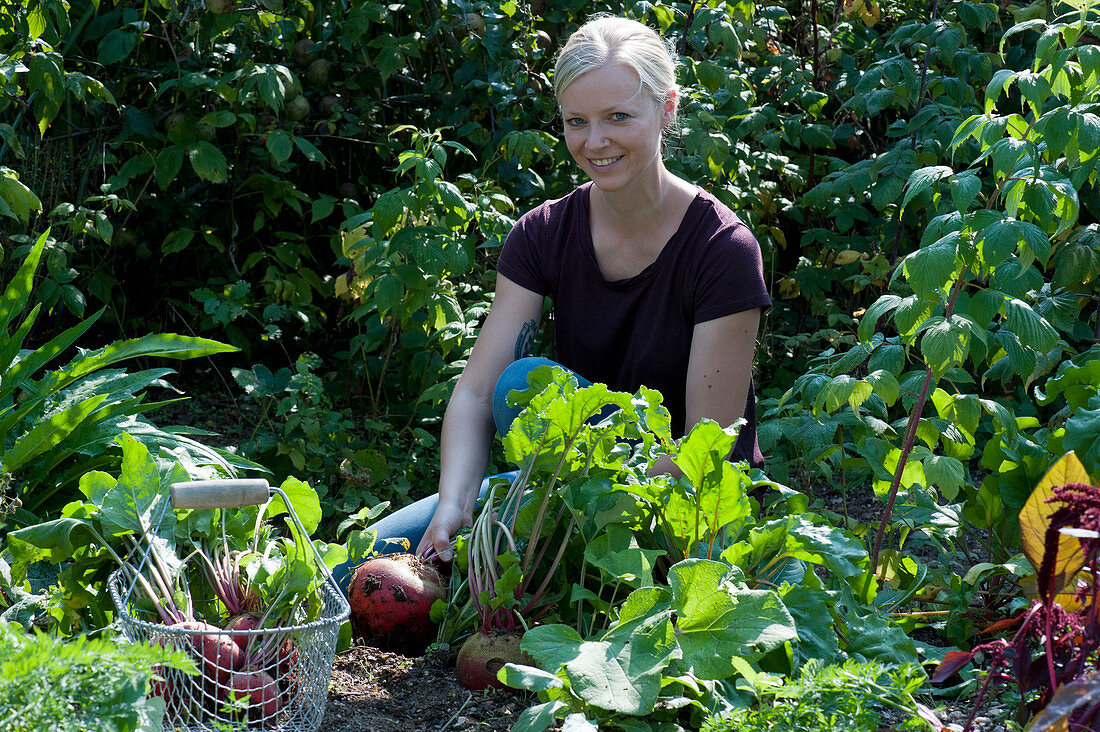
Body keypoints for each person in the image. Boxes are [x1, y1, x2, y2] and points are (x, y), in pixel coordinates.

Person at [332, 15, 770, 588]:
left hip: (688, 516)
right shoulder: (543, 234)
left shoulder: (721, 248)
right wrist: (455, 504)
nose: (595, 141)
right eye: (576, 121)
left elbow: (704, 450)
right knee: (353, 576)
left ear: (666, 110)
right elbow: (475, 392)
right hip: (563, 487)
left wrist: (563, 508)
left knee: (526, 386)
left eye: (618, 117)